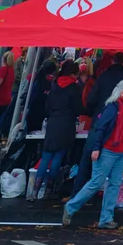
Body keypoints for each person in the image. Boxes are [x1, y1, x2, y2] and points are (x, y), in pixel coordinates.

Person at [62, 79, 123, 231]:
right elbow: (100, 128)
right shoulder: (113, 107)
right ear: (120, 92)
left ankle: (106, 218)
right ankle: (71, 207)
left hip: (120, 151)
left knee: (113, 184)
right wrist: (96, 148)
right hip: (109, 151)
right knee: (96, 182)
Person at [32, 61, 84, 200]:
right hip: (66, 123)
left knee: (46, 156)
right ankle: (50, 187)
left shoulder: (54, 84)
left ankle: (34, 190)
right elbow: (78, 108)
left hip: (52, 122)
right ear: (73, 74)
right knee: (58, 156)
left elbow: (47, 105)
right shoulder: (74, 88)